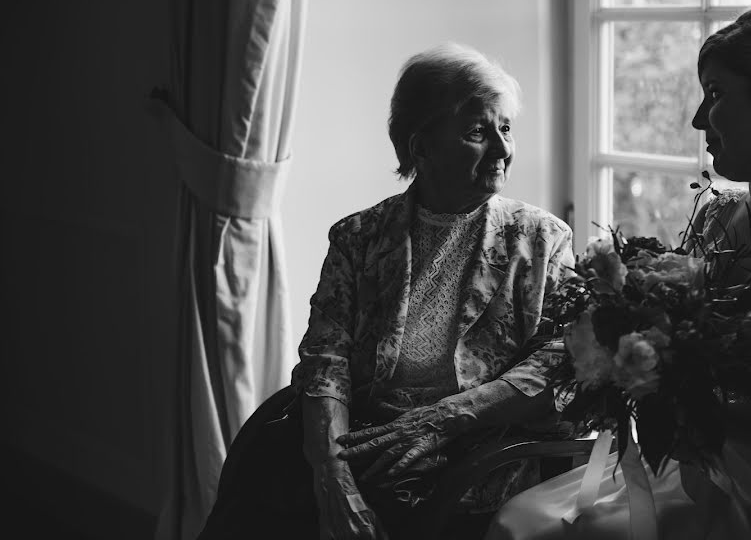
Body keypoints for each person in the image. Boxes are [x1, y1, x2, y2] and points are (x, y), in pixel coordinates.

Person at [488, 6, 751, 539]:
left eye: (717, 94)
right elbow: (683, 332)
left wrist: (699, 413)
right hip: (700, 471)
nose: (699, 120)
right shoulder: (719, 211)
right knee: (523, 523)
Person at [198, 42, 575, 540]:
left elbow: (561, 360)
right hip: (358, 445)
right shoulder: (359, 237)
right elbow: (324, 363)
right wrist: (334, 482)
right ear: (421, 147)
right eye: (478, 132)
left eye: (505, 129)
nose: (504, 149)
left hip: (471, 456)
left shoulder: (542, 239)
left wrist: (445, 418)